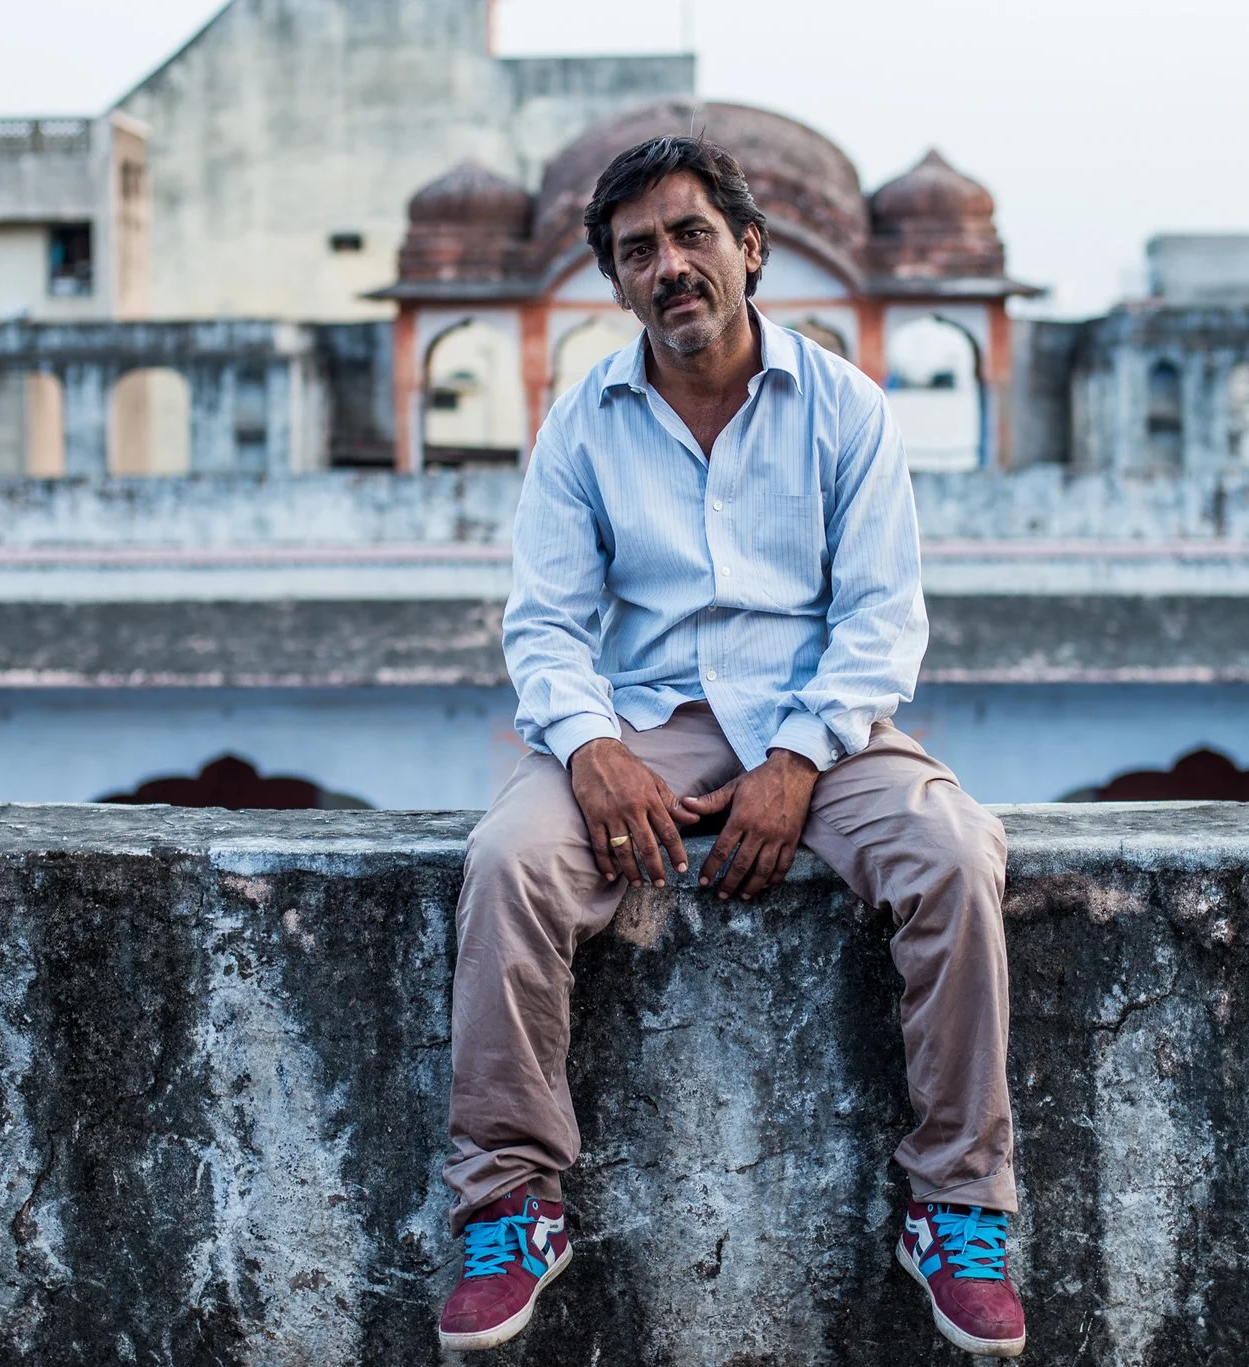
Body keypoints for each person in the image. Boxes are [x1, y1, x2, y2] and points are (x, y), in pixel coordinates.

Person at [435, 135, 1023, 1358]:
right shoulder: (582, 423)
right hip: (643, 722)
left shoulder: (845, 408)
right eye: (637, 250)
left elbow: (877, 620)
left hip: (822, 722)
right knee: (508, 862)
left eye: (691, 234)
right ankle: (508, 1202)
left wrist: (797, 761)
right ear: (614, 282)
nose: (670, 267)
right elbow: (544, 622)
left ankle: (956, 1200)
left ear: (749, 250)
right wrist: (590, 752)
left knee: (954, 854)